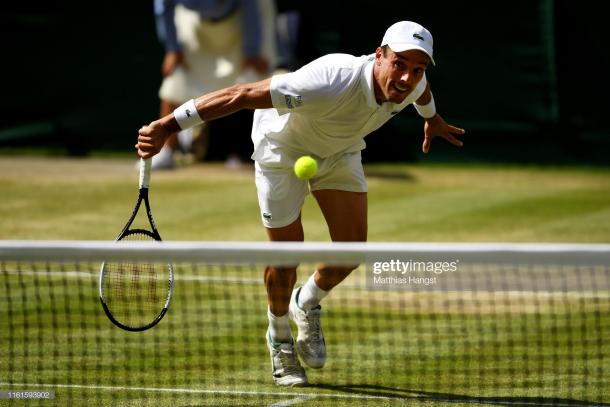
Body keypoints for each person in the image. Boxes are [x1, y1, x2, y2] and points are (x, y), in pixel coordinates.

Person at [137, 21, 465, 386]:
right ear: (379, 56)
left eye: (416, 68)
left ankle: (305, 303)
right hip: (281, 149)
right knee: (286, 256)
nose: (406, 77)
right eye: (399, 64)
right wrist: (168, 125)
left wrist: (432, 119)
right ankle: (278, 337)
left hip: (339, 151)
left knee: (351, 253)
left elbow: (422, 92)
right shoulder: (328, 80)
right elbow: (242, 94)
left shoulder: (413, 83)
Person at [153, 0, 276, 169]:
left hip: (246, 15)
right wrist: (173, 49)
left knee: (258, 77)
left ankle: (271, 150)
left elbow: (250, 5)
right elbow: (163, 6)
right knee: (177, 73)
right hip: (195, 21)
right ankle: (165, 151)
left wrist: (252, 51)